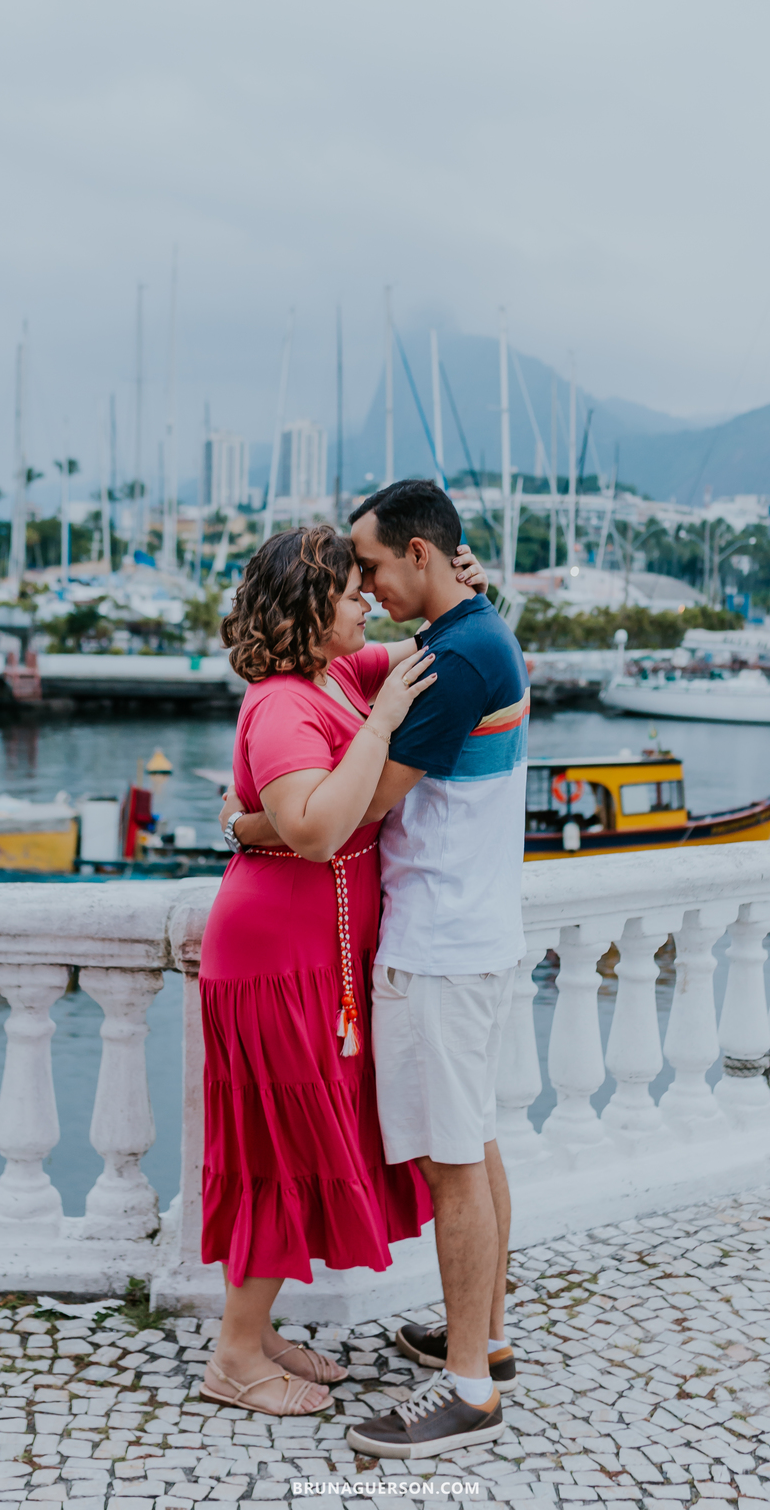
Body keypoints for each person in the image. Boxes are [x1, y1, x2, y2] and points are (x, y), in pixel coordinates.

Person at [197, 522, 439, 1418]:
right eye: (348, 593)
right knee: (276, 1151)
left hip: (311, 957)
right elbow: (312, 827)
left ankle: (254, 1334)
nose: (364, 602)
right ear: (310, 606)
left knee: (287, 1143)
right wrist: (378, 726)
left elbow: (433, 646)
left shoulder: (337, 674)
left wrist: (465, 587)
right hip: (274, 960)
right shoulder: (281, 705)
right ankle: (231, 1356)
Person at [342, 479, 530, 1464]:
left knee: (453, 1167)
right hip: (480, 933)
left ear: (422, 553)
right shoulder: (481, 630)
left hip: (442, 946)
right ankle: (484, 1343)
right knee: (478, 1145)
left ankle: (466, 1392)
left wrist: (261, 819)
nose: (364, 585)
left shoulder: (453, 662)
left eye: (371, 564)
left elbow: (365, 807)